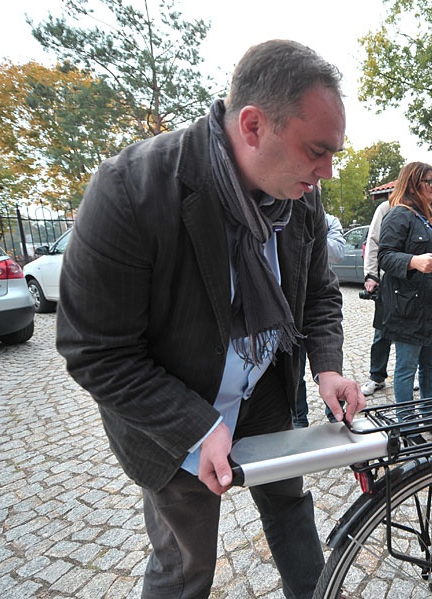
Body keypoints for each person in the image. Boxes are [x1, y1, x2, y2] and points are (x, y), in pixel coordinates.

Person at [55, 40, 365, 599]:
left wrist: (326, 368)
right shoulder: (131, 190)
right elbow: (94, 350)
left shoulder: (303, 198)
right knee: (186, 562)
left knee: (291, 508)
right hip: (175, 414)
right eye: (318, 150)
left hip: (266, 388)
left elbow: (317, 293)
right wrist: (195, 425)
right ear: (252, 126)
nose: (327, 171)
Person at [378, 162, 432, 420]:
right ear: (413, 184)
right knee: (406, 366)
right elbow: (385, 257)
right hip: (410, 304)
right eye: (429, 181)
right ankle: (408, 425)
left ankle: (430, 418)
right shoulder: (398, 215)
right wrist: (413, 261)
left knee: (430, 363)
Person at [294, 211, 345, 427]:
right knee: (294, 371)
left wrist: (310, 230)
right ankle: (298, 420)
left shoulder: (329, 220)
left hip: (317, 299)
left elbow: (337, 252)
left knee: (329, 362)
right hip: (289, 307)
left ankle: (335, 414)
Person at [359, 199, 391, 396]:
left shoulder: (426, 207)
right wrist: (372, 275)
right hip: (388, 281)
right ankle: (377, 376)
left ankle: (411, 373)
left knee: (413, 332)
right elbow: (373, 240)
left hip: (416, 282)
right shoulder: (386, 208)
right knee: (382, 331)